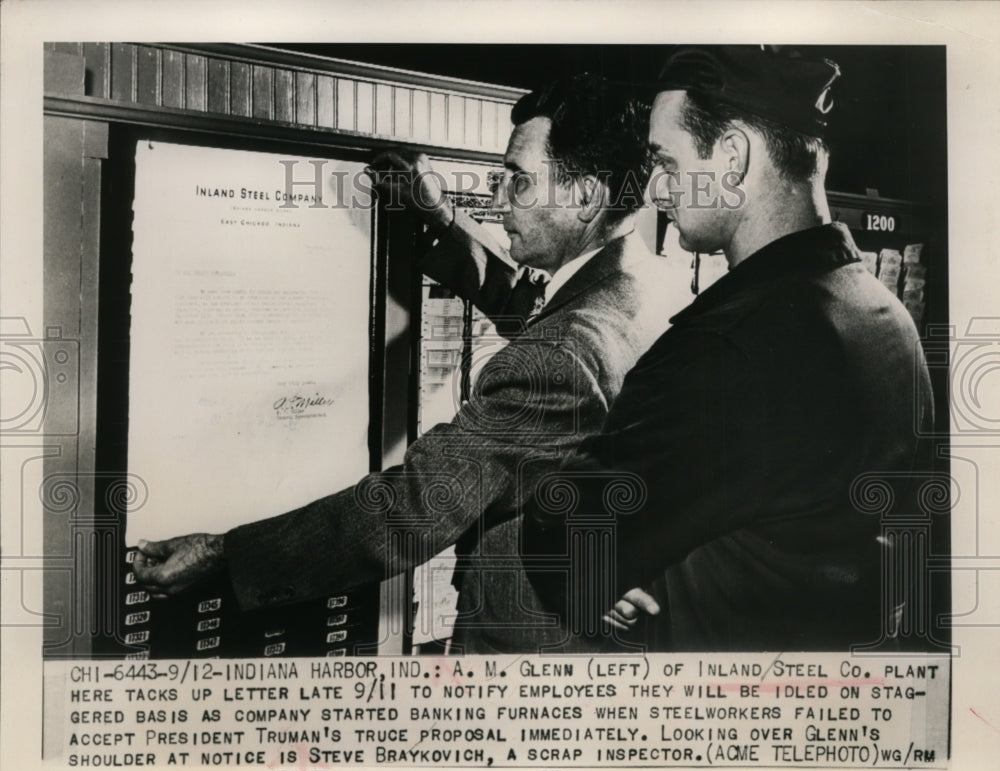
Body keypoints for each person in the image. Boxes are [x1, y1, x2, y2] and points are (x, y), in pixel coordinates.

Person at [133, 74, 673, 654]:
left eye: (517, 182)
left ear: (585, 197)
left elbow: (412, 505)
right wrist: (443, 221)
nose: (496, 201)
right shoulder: (638, 287)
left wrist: (224, 554)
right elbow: (537, 309)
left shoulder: (563, 355)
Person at [522, 46, 935, 651]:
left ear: (733, 157)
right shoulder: (883, 314)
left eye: (666, 161)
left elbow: (566, 532)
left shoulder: (730, 345)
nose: (657, 188)